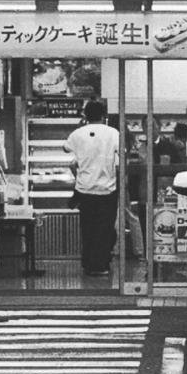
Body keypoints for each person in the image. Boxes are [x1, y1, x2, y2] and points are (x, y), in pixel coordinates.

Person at [63, 99, 120, 276]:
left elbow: (65, 148)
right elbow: (122, 154)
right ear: (104, 115)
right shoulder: (113, 133)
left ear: (86, 115)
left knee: (88, 228)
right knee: (105, 229)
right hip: (107, 190)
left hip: (85, 189)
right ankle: (101, 264)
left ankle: (88, 263)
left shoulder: (77, 134)